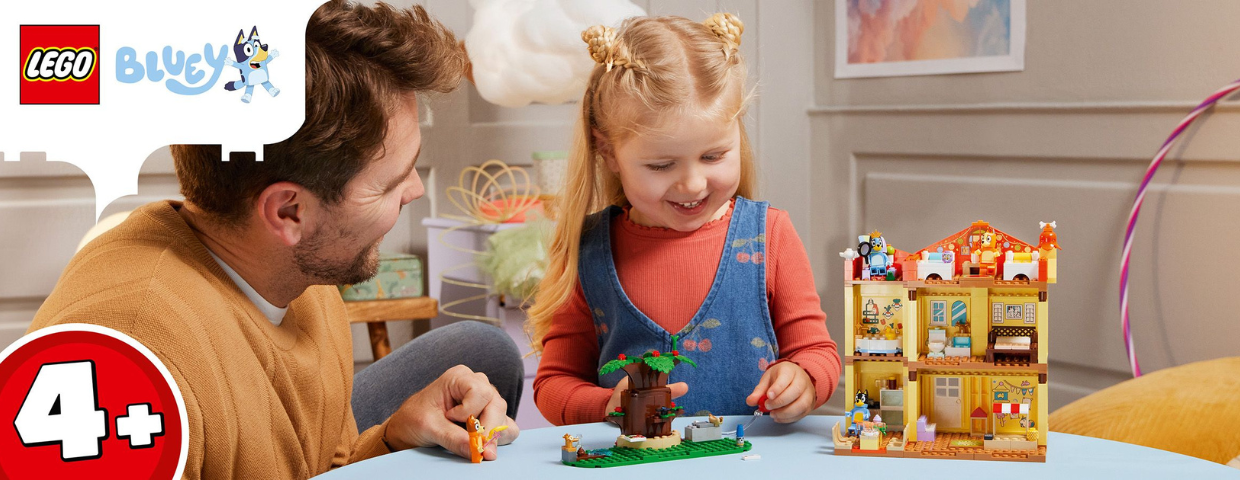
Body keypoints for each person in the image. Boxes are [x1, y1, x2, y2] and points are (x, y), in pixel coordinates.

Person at [29, 1, 521, 477]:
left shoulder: (296, 273)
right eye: (391, 182)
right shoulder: (128, 367)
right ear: (288, 211)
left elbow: (321, 466)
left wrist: (392, 439)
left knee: (483, 350)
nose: (415, 190)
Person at [528, 13, 841, 426]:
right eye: (661, 165)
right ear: (607, 152)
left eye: (713, 156)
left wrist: (804, 379)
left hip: (752, 457)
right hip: (636, 458)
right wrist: (606, 405)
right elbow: (553, 384)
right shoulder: (588, 248)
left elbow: (817, 353)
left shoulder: (771, 235)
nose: (693, 184)